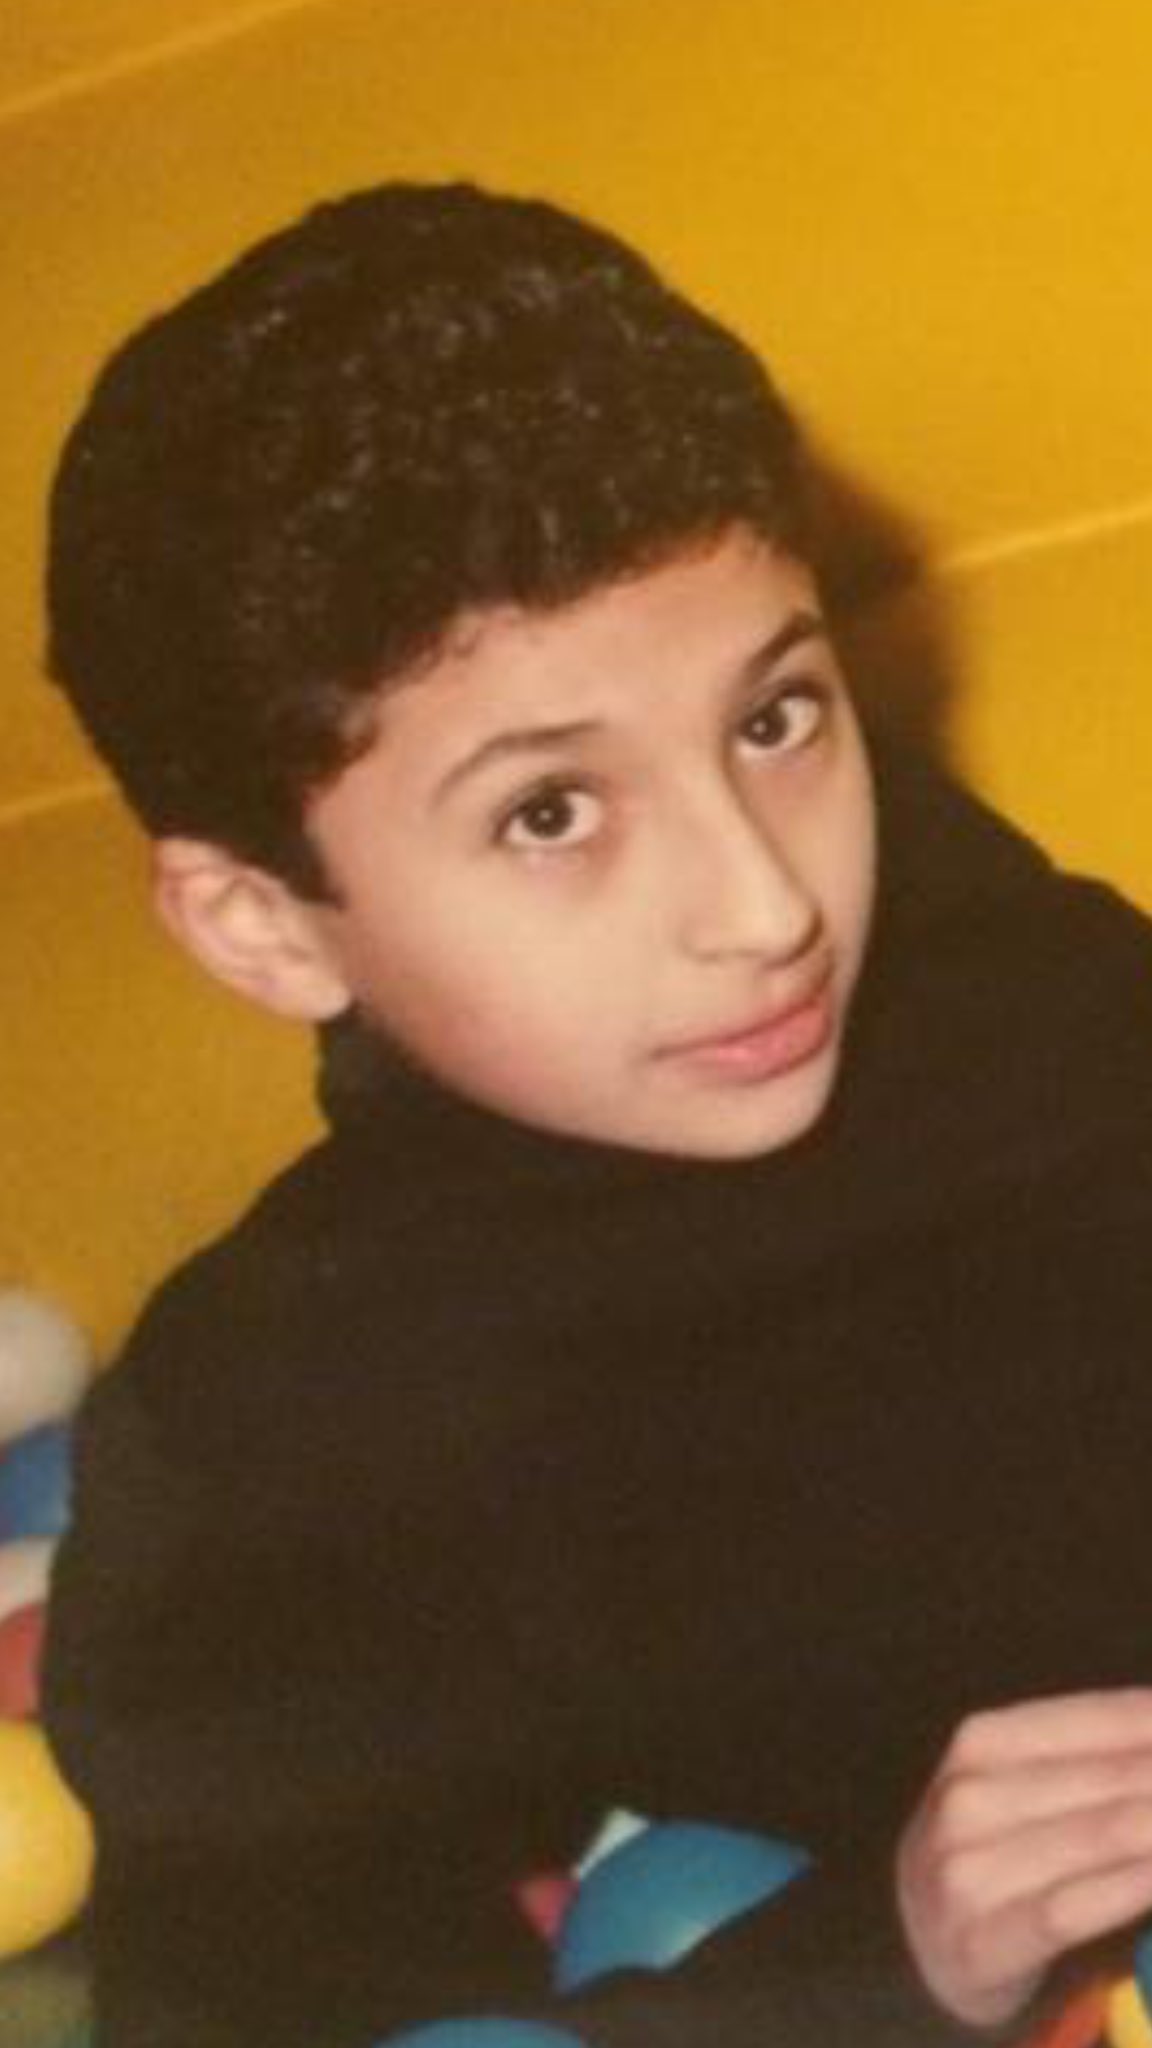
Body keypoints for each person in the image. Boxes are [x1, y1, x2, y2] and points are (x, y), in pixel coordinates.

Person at [39, 181, 1152, 2048]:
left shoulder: (1006, 977)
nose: (766, 905)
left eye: (776, 718)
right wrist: (881, 1957)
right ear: (262, 923)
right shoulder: (283, 1451)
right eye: (550, 813)